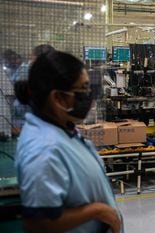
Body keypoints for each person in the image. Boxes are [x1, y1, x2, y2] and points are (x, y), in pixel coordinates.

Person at [14, 51, 122, 233]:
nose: (89, 97)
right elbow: (38, 224)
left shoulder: (60, 127)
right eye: (83, 90)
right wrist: (98, 211)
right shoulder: (44, 150)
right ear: (57, 98)